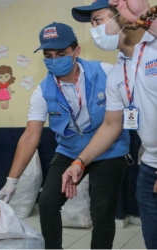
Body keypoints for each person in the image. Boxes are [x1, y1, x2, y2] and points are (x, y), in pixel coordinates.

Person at [0, 22, 130, 249]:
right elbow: (30, 136)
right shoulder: (42, 91)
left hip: (108, 150)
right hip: (69, 150)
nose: (54, 59)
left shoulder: (106, 72)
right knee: (47, 203)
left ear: (76, 51)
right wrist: (11, 182)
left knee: (102, 210)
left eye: (61, 54)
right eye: (48, 55)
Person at [65, 0, 157, 248]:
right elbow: (110, 126)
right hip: (149, 168)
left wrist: (145, 16)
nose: (94, 29)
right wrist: (79, 161)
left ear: (122, 15)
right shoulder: (117, 74)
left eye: (97, 20)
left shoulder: (154, 45)